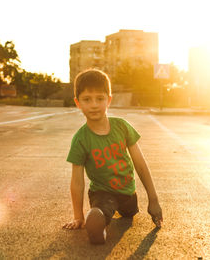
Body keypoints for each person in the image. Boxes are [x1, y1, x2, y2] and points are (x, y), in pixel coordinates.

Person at [63, 69, 163, 244]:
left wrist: (153, 200)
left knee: (129, 214)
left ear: (108, 100)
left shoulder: (122, 127)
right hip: (102, 193)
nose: (94, 105)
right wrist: (78, 217)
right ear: (78, 103)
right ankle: (98, 225)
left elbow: (140, 165)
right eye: (87, 99)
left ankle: (117, 211)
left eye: (100, 99)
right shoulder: (80, 139)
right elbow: (77, 181)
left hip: (127, 193)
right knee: (101, 209)